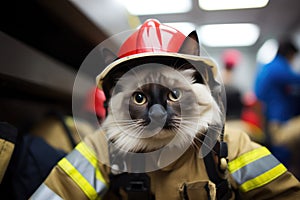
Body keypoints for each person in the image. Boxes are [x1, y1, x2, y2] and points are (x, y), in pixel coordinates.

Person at [31, 19, 300, 200]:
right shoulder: (102, 149)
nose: (157, 114)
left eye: (174, 95)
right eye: (139, 98)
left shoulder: (229, 146)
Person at [254, 39, 300, 176]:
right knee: (283, 152)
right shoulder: (278, 67)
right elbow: (296, 79)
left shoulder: (267, 67)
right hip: (279, 118)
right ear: (289, 53)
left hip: (271, 117)